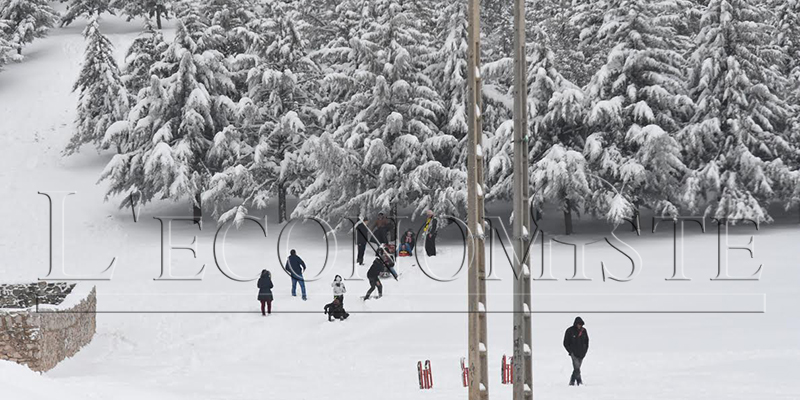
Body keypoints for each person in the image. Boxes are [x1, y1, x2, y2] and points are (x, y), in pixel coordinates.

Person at [563, 316, 589, 386]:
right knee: (576, 367)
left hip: (582, 353)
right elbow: (565, 342)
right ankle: (579, 381)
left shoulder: (584, 331)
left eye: (581, 324)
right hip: (573, 353)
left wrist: (585, 351)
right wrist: (570, 351)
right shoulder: (569, 331)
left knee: (577, 368)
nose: (579, 325)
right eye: (578, 324)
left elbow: (586, 342)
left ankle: (572, 381)